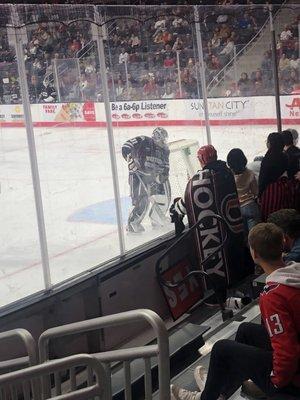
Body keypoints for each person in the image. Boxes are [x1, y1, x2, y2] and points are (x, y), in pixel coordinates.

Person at [171, 223, 300, 400]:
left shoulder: (273, 295)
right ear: (283, 244)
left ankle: (205, 398)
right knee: (246, 330)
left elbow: (287, 350)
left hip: (292, 380)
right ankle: (220, 392)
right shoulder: (295, 275)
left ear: (254, 254)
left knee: (222, 348)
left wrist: (274, 381)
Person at [170, 145, 245, 302]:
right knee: (234, 266)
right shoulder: (226, 171)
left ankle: (225, 300)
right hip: (232, 231)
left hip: (217, 235)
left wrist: (176, 208)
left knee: (220, 268)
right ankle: (235, 294)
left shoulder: (202, 179)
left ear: (202, 159)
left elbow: (186, 203)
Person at [122, 127, 171, 233]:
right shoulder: (143, 140)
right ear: (155, 138)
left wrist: (162, 177)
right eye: (162, 140)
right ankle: (132, 224)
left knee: (163, 197)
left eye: (164, 140)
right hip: (138, 175)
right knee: (142, 200)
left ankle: (156, 219)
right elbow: (126, 146)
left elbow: (166, 167)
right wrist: (129, 160)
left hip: (153, 176)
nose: (163, 142)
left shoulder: (165, 150)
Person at [258, 132, 292, 221]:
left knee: (270, 218)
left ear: (270, 143)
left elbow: (263, 179)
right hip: (285, 190)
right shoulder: (285, 156)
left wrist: (260, 195)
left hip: (271, 193)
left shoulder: (268, 158)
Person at [227, 148, 260, 236]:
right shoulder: (250, 173)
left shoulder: (229, 177)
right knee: (254, 237)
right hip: (250, 206)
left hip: (237, 209)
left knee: (243, 237)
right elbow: (256, 192)